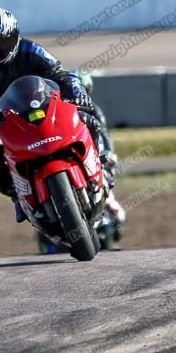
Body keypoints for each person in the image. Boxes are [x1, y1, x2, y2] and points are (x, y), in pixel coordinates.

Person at [0, 7, 101, 223]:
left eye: (3, 43)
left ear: (15, 37)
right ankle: (18, 194)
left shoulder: (31, 49)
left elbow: (62, 75)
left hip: (45, 109)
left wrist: (78, 94)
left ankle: (97, 162)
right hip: (4, 124)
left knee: (90, 120)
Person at [36, 70, 125, 253]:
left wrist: (108, 154)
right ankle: (50, 244)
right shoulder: (57, 109)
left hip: (94, 154)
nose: (78, 93)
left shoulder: (93, 109)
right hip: (67, 156)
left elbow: (104, 135)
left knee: (117, 213)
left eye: (83, 89)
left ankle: (111, 242)